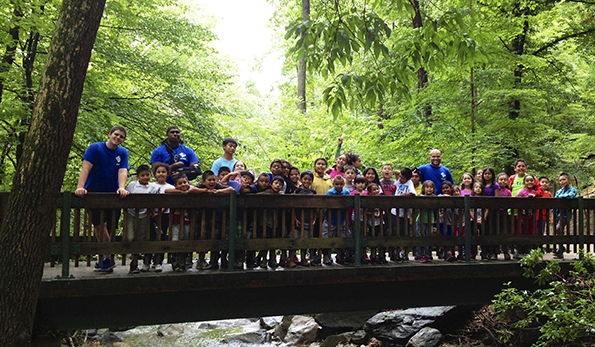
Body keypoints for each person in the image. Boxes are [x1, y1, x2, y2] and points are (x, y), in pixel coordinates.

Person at [75, 125, 130, 273]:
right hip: (94, 192)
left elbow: (123, 170)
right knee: (99, 225)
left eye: (121, 137)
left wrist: (122, 187)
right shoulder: (95, 148)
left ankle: (105, 258)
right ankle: (108, 256)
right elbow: (86, 167)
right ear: (110, 134)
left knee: (111, 226)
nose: (118, 138)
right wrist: (81, 187)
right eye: (116, 135)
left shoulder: (123, 152)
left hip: (113, 194)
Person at [125, 165, 153, 274]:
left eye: (147, 175)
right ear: (137, 176)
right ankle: (133, 256)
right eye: (142, 175)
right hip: (131, 214)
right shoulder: (132, 185)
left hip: (144, 215)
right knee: (131, 236)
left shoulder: (152, 187)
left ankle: (135, 262)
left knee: (141, 237)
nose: (145, 177)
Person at [148, 163, 175, 272]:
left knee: (162, 235)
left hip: (165, 215)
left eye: (163, 172)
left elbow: (170, 201)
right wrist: (153, 212)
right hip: (150, 215)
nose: (161, 174)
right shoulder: (151, 186)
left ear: (167, 174)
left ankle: (158, 261)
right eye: (158, 172)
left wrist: (161, 212)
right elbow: (147, 200)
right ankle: (147, 260)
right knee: (150, 236)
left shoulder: (170, 187)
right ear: (154, 174)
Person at [322, 175, 350, 265]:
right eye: (337, 184)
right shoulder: (330, 192)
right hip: (330, 219)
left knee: (342, 236)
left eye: (341, 184)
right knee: (326, 237)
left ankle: (340, 256)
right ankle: (327, 256)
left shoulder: (346, 192)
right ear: (333, 184)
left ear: (344, 184)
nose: (339, 186)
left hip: (342, 219)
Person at [391, 167, 415, 262]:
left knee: (404, 232)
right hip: (395, 212)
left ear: (408, 178)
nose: (400, 179)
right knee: (395, 232)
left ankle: (403, 252)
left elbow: (412, 193)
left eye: (403, 178)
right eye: (400, 177)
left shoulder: (409, 183)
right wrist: (400, 175)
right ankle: (395, 251)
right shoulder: (399, 182)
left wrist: (401, 196)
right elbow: (396, 173)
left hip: (405, 214)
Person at [294, 170, 317, 267]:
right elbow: (293, 206)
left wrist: (314, 218)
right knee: (295, 238)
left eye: (309, 179)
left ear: (312, 181)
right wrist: (294, 219)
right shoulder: (297, 191)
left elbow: (316, 207)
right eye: (305, 179)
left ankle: (303, 258)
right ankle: (292, 258)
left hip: (308, 218)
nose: (307, 181)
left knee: (306, 239)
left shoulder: (313, 192)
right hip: (298, 218)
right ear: (301, 179)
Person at [554, 173, 577, 259]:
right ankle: (560, 250)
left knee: (558, 228)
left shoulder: (572, 190)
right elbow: (555, 201)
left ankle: (561, 248)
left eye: (564, 179)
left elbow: (570, 196)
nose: (562, 182)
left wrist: (561, 197)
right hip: (557, 214)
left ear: (569, 180)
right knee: (559, 232)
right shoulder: (559, 191)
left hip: (565, 215)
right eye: (560, 180)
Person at [416, 180, 436, 263]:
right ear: (423, 188)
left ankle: (427, 254)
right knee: (420, 236)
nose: (429, 189)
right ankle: (420, 255)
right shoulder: (420, 196)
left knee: (428, 237)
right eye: (427, 187)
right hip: (420, 220)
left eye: (431, 187)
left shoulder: (434, 198)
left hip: (430, 220)